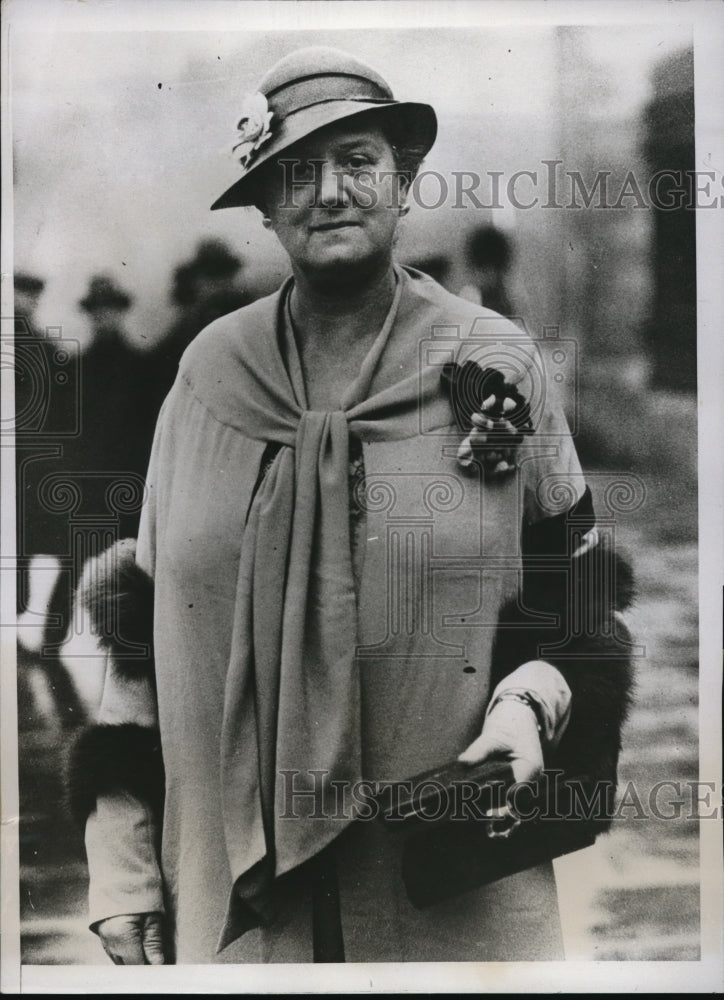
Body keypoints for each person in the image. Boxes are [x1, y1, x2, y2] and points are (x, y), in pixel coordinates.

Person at [69, 47, 634, 964]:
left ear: (403, 180)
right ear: (263, 200)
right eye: (296, 171)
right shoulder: (209, 376)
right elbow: (144, 637)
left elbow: (580, 602)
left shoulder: (496, 362)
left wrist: (527, 710)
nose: (330, 190)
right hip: (233, 896)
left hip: (445, 873)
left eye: (359, 161)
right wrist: (124, 869)